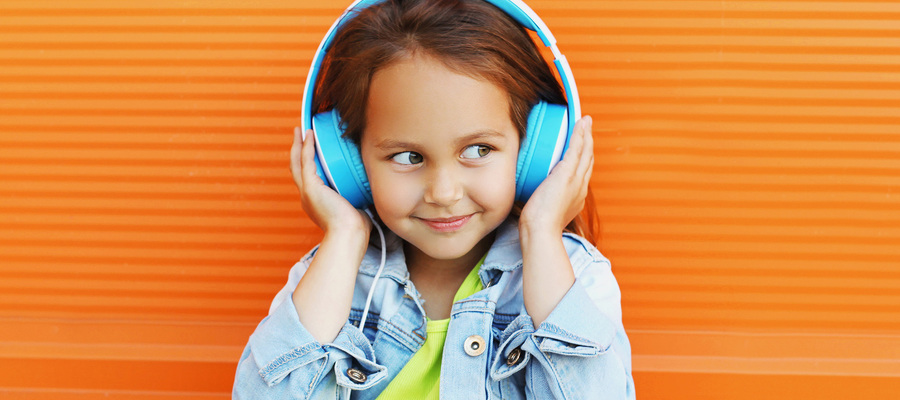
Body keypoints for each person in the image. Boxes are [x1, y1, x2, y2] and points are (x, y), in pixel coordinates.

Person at [233, 0, 634, 398]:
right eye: (408, 157)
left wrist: (542, 232)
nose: (444, 193)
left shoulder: (577, 277)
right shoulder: (331, 278)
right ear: (348, 164)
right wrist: (342, 236)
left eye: (477, 150)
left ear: (536, 150)